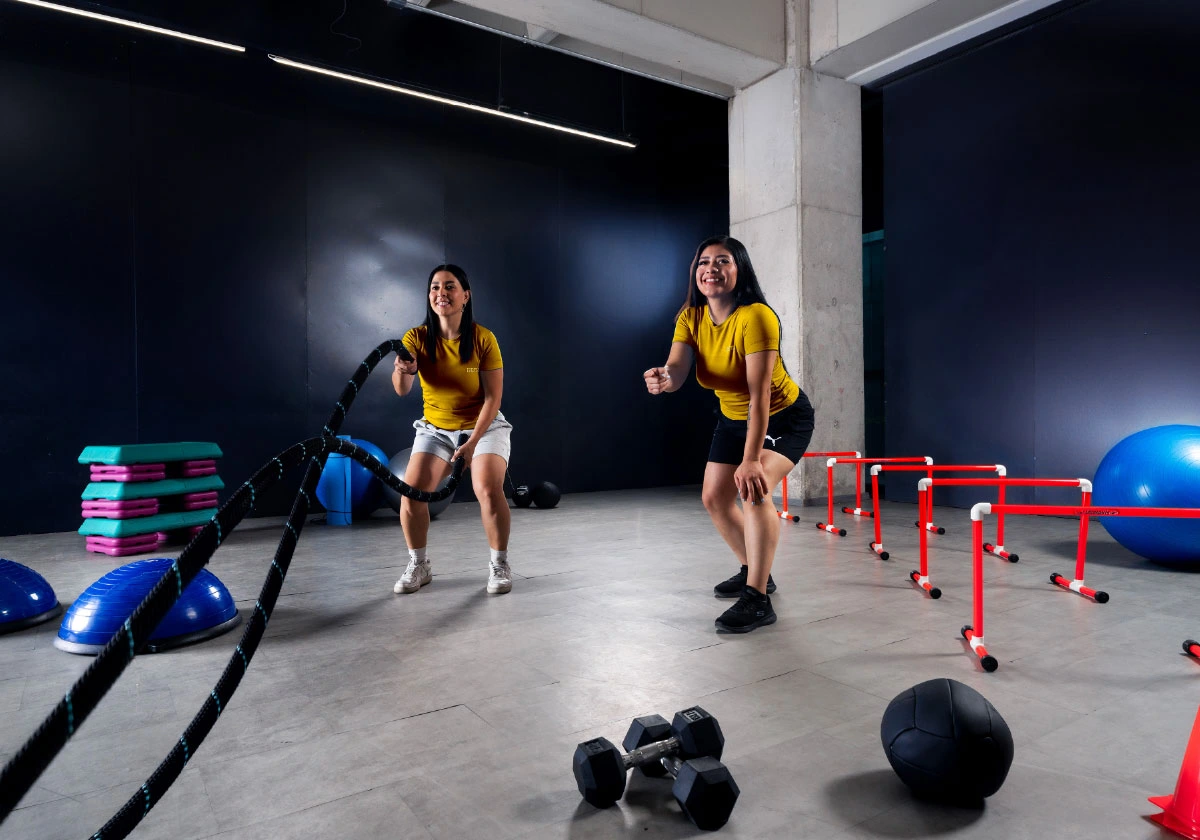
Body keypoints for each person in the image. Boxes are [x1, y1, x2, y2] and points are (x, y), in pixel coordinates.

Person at [643, 236, 814, 632]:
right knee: (715, 498)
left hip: (781, 417)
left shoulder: (756, 317)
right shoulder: (691, 317)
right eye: (704, 261)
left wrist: (752, 460)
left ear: (740, 270)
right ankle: (756, 570)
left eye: (723, 261)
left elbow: (759, 398)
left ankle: (757, 599)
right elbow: (678, 370)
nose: (711, 268)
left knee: (753, 490)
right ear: (695, 272)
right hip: (733, 419)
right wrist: (663, 378)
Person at [391, 264, 514, 595]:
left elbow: (493, 397)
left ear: (465, 296)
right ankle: (420, 564)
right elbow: (402, 388)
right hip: (436, 430)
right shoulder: (415, 338)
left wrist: (473, 442)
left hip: (484, 427)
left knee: (488, 489)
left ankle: (499, 564)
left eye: (449, 286)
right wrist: (404, 370)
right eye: (434, 287)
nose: (440, 293)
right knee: (411, 492)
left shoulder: (482, 339)